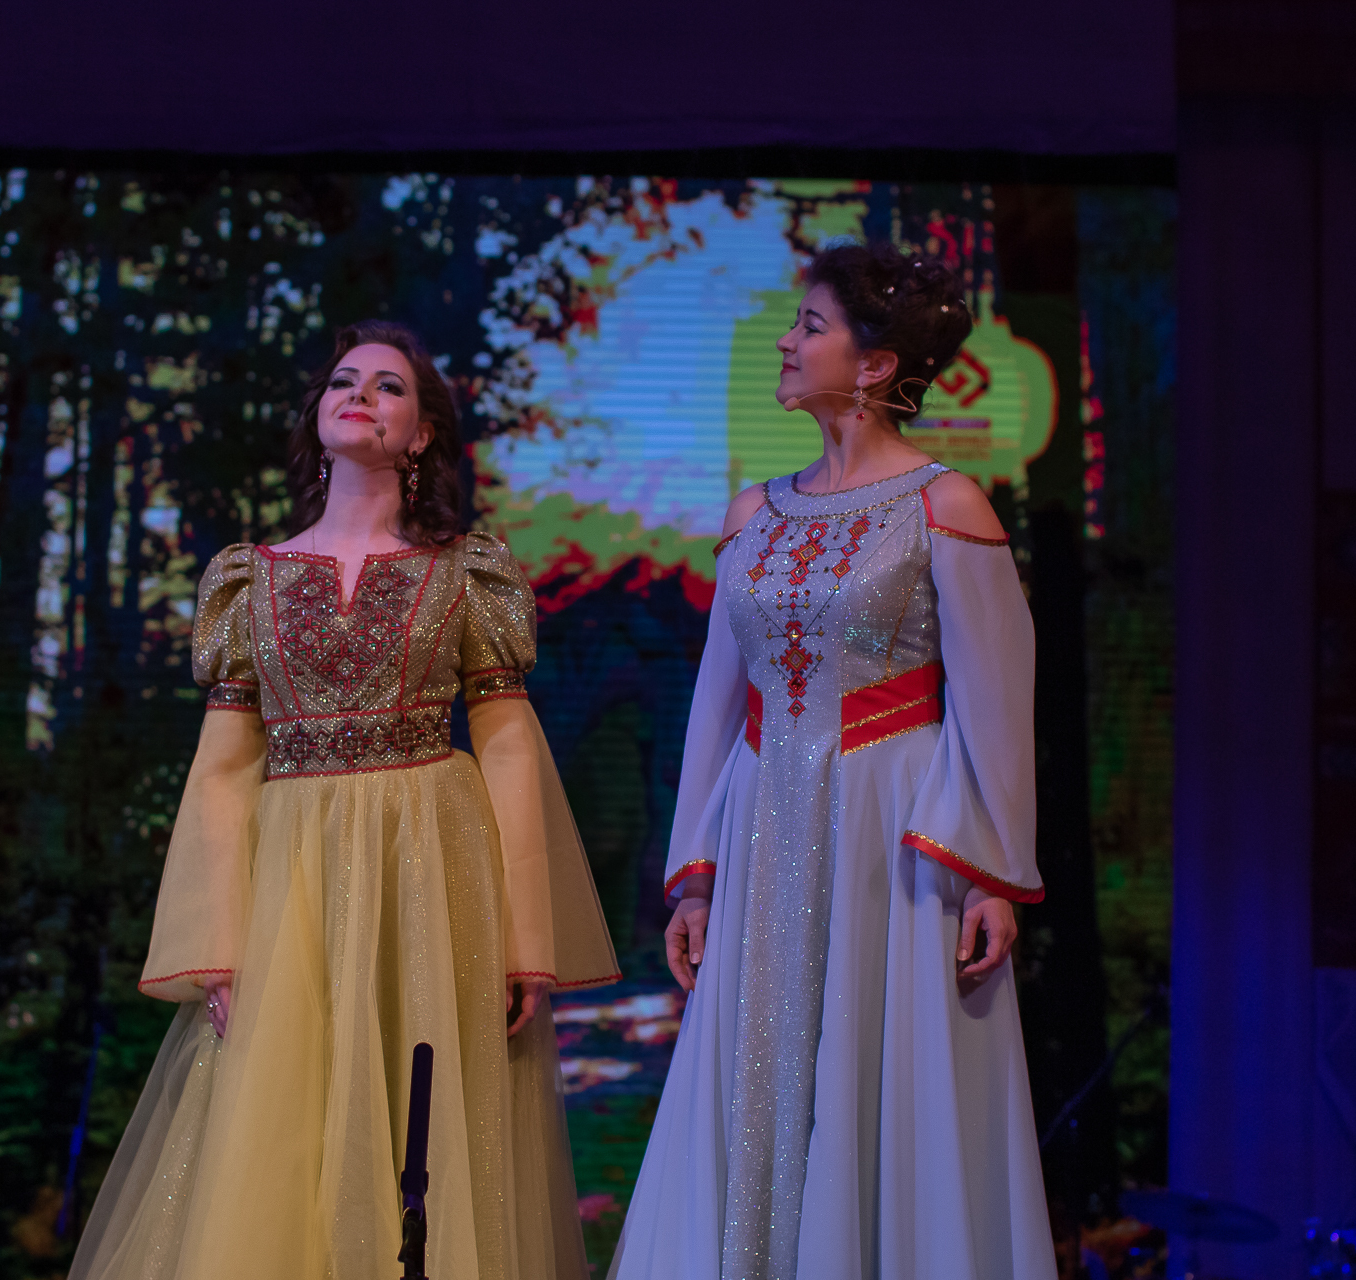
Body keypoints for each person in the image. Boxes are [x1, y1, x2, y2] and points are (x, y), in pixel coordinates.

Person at [71, 320, 620, 1280]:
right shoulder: (251, 580)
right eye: (343, 381)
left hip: (434, 870)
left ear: (422, 434)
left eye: (388, 386)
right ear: (317, 416)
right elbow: (223, 767)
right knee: (284, 1128)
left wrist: (526, 938)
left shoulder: (465, 573)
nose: (360, 394)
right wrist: (214, 942)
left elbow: (508, 749)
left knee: (428, 1128)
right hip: (295, 880)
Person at [609, 244, 1055, 1280]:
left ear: (874, 363)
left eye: (810, 325)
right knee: (751, 1073)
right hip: (762, 822)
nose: (786, 340)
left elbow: (995, 696)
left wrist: (991, 871)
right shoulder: (753, 513)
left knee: (878, 1074)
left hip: (888, 823)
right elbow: (718, 703)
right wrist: (696, 874)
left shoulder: (945, 504)